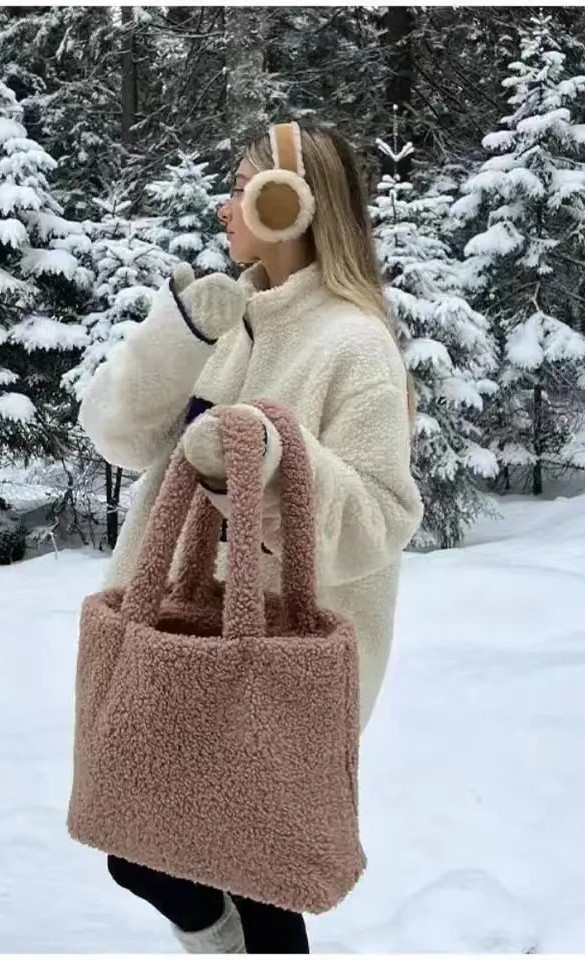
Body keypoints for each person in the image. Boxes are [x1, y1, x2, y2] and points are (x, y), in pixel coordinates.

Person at [79, 122, 424, 954]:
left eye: (243, 187)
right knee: (136, 848)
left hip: (273, 659)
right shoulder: (225, 322)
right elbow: (116, 435)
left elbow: (381, 516)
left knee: (255, 875)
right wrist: (181, 334)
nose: (225, 204)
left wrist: (274, 463)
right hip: (173, 633)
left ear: (293, 205)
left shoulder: (353, 344)